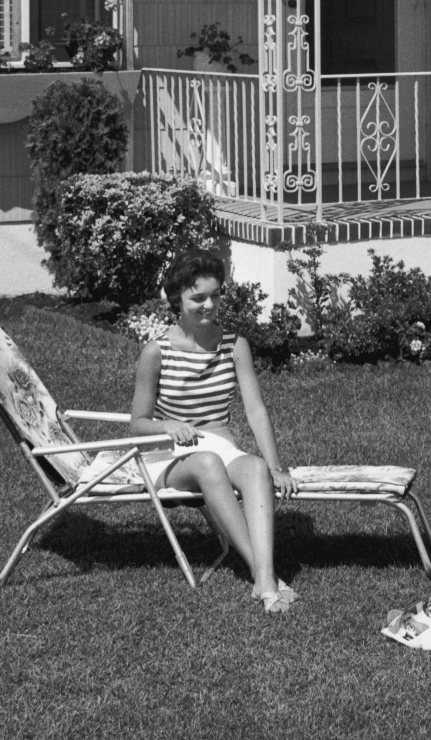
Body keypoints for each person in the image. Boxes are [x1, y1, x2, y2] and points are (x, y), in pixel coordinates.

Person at [129, 247, 301, 612]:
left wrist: (274, 465)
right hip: (168, 455)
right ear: (177, 299)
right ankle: (265, 580)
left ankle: (263, 578)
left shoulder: (234, 345)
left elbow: (255, 409)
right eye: (198, 298)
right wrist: (169, 424)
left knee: (253, 468)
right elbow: (137, 424)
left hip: (219, 449)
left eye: (215, 295)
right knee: (207, 461)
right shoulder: (156, 352)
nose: (209, 304)